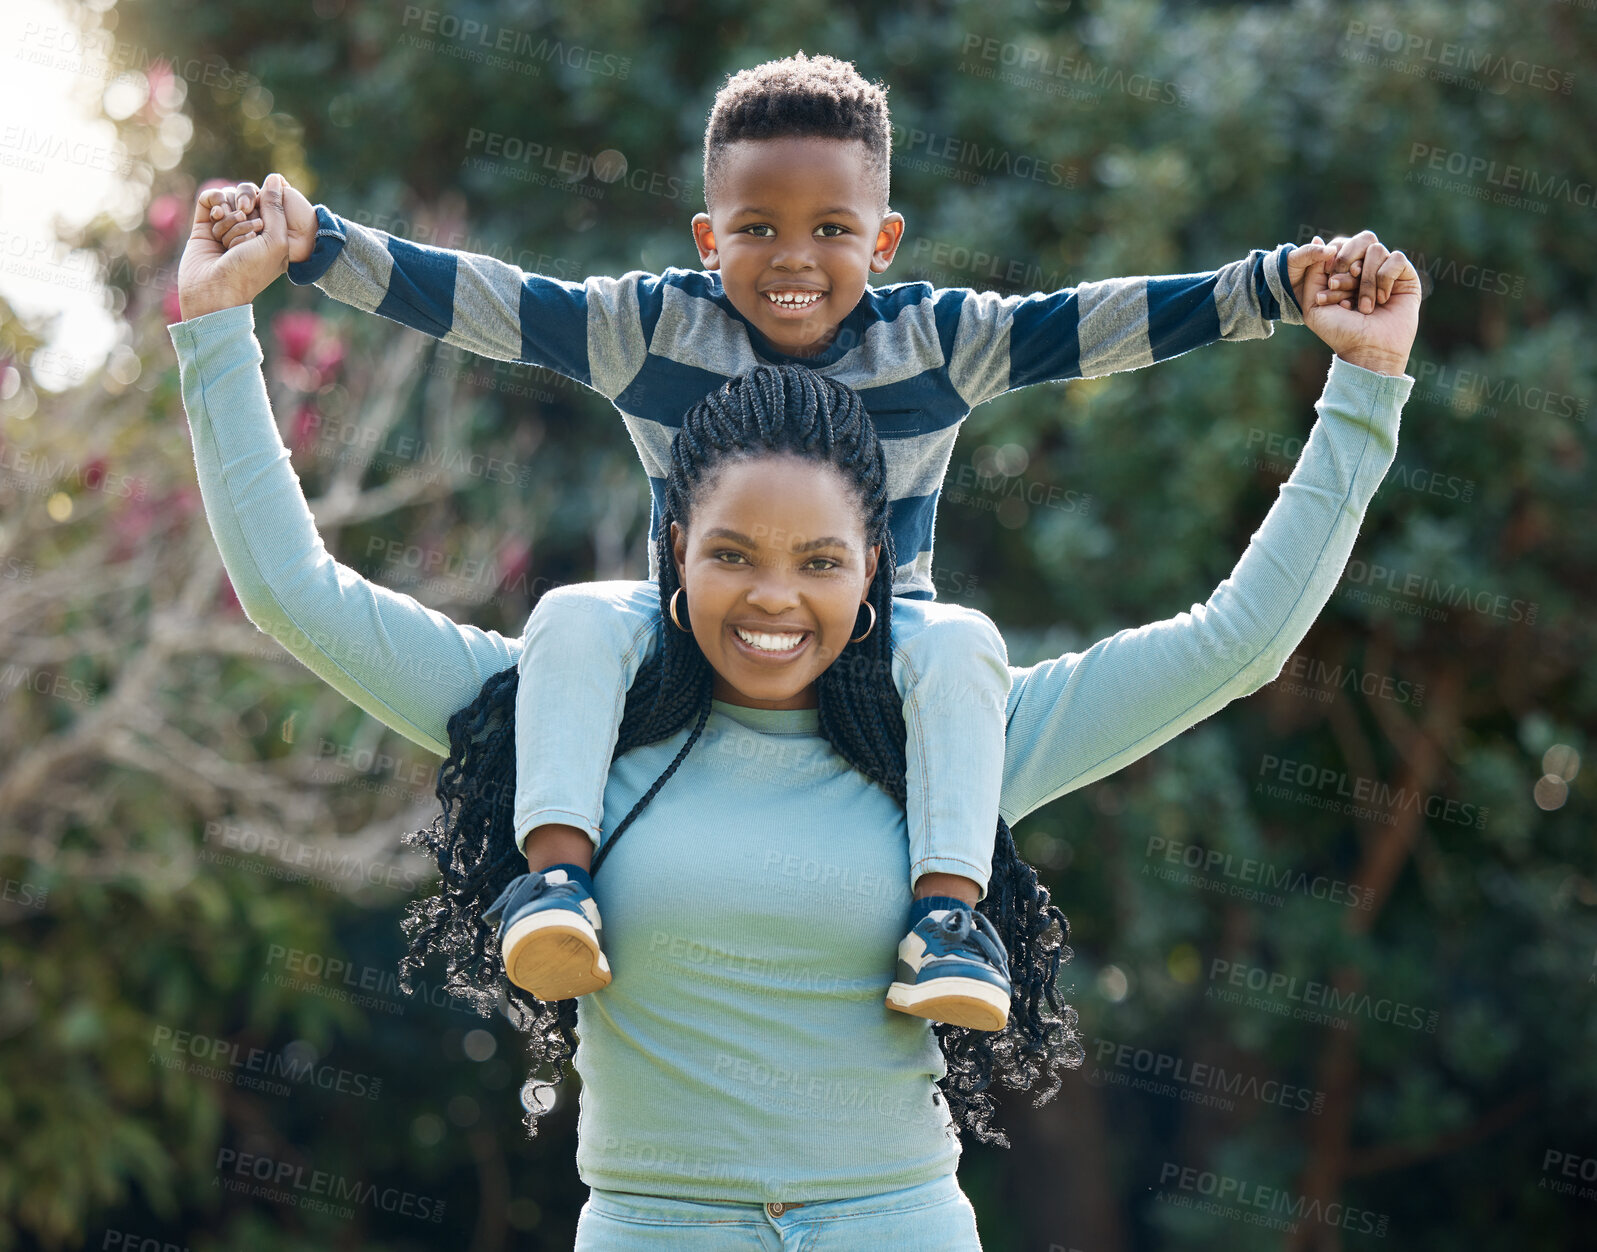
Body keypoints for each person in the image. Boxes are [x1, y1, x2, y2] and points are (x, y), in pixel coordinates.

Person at [173, 175, 1418, 1249]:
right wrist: (217, 325)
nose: (775, 597)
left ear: (874, 565)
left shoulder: (953, 737)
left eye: (820, 560)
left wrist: (1361, 389)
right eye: (732, 555)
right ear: (674, 547)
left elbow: (1235, 643)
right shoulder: (565, 714)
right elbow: (294, 595)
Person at [198, 52, 1403, 1030]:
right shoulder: (649, 326)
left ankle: (947, 914)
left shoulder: (937, 340)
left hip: (892, 658)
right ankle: (554, 876)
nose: (791, 259)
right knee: (572, 613)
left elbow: (1092, 329)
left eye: (831, 229)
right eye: (756, 229)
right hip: (670, 647)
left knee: (962, 643)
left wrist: (1268, 290)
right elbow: (493, 303)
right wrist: (315, 248)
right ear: (706, 233)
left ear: (883, 242)